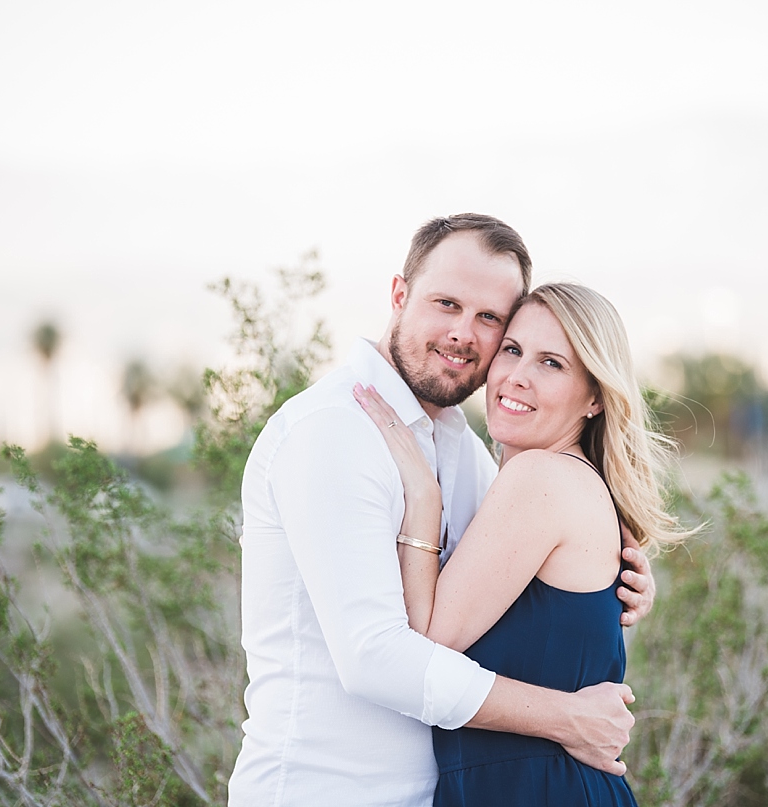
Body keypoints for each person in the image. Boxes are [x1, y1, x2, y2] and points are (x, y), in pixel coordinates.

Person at [228, 215, 657, 806]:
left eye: (488, 319)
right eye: (446, 303)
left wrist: (622, 581)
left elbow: (536, 575)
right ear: (399, 295)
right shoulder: (333, 430)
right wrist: (564, 717)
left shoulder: (468, 453)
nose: (464, 333)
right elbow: (376, 657)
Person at [353, 282, 684, 806]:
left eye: (551, 363)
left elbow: (428, 643)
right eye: (512, 350)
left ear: (595, 396)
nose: (517, 376)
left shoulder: (539, 478)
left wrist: (423, 496)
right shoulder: (542, 480)